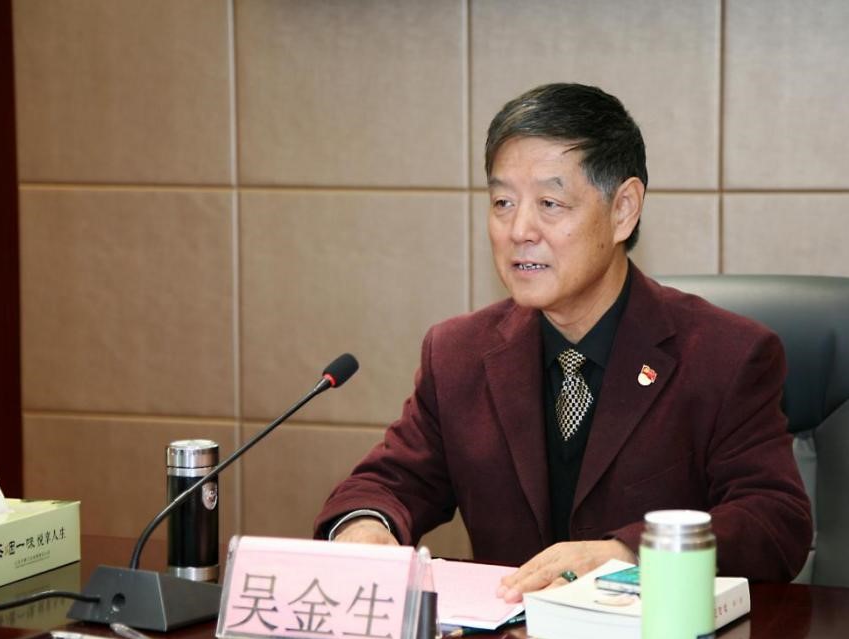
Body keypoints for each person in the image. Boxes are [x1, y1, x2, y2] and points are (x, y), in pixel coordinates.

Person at [315, 83, 812, 602]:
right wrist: (365, 528)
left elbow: (774, 520)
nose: (519, 230)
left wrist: (627, 554)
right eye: (503, 203)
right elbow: (389, 483)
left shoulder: (725, 355)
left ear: (623, 210)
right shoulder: (459, 354)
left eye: (550, 203)